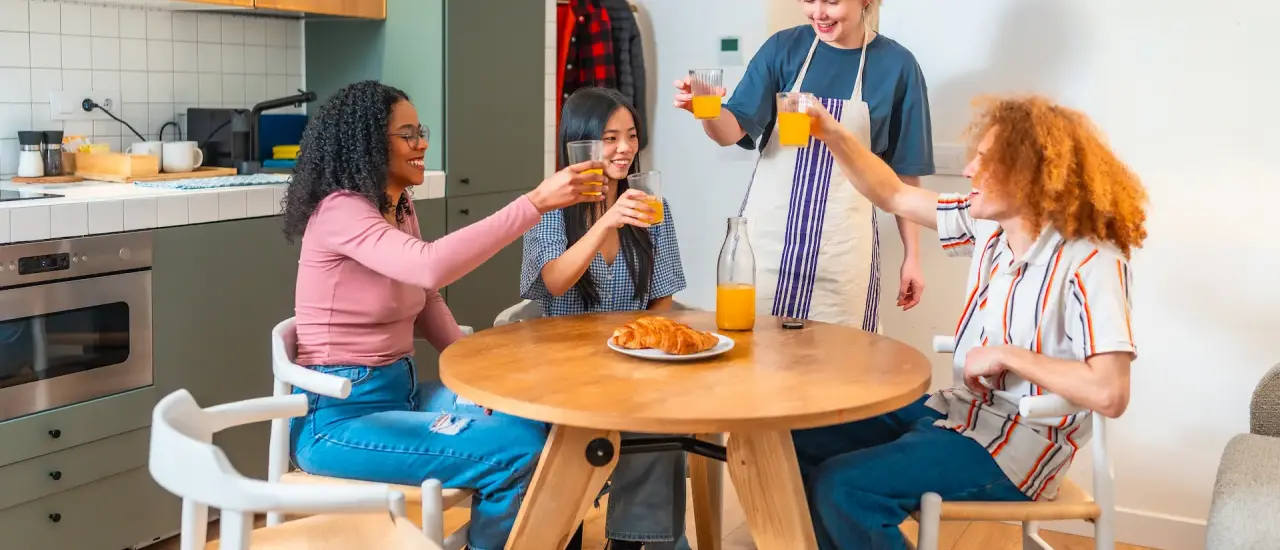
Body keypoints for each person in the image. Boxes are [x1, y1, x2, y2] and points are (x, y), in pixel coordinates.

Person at [790, 95, 1146, 550]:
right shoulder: (990, 228)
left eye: (985, 160)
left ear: (1030, 175)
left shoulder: (1092, 262)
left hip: (1020, 447)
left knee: (844, 487)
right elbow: (893, 193)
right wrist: (833, 133)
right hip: (957, 413)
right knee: (796, 439)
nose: (969, 170)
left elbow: (1109, 393)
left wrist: (1005, 354)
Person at [280, 80, 605, 550]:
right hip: (337, 419)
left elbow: (426, 295)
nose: (422, 143)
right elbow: (430, 263)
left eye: (421, 131)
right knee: (518, 452)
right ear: (371, 142)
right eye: (408, 134)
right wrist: (534, 203)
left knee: (548, 426)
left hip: (403, 395)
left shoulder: (396, 204)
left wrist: (476, 380)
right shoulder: (341, 211)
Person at [673, 0, 933, 330]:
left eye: (832, 2)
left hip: (842, 250)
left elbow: (905, 173)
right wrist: (706, 110)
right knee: (758, 355)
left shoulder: (897, 66)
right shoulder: (783, 49)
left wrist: (913, 257)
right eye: (809, 0)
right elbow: (731, 131)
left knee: (842, 360)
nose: (819, 13)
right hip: (770, 243)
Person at [520, 87, 689, 550]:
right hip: (566, 366)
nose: (624, 148)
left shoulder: (651, 205)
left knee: (664, 420)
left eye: (631, 136)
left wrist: (644, 345)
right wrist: (605, 221)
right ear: (580, 144)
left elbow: (662, 297)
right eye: (610, 137)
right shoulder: (551, 206)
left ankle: (640, 542)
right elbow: (553, 282)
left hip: (632, 361)